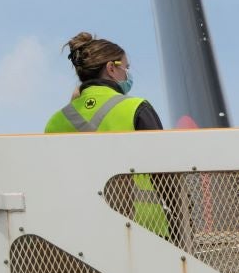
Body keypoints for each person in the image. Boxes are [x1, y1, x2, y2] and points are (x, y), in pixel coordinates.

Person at [44, 32, 168, 237]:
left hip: (80, 234)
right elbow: (166, 175)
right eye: (125, 68)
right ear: (111, 68)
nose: (127, 74)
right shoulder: (136, 107)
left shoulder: (55, 122)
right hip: (143, 229)